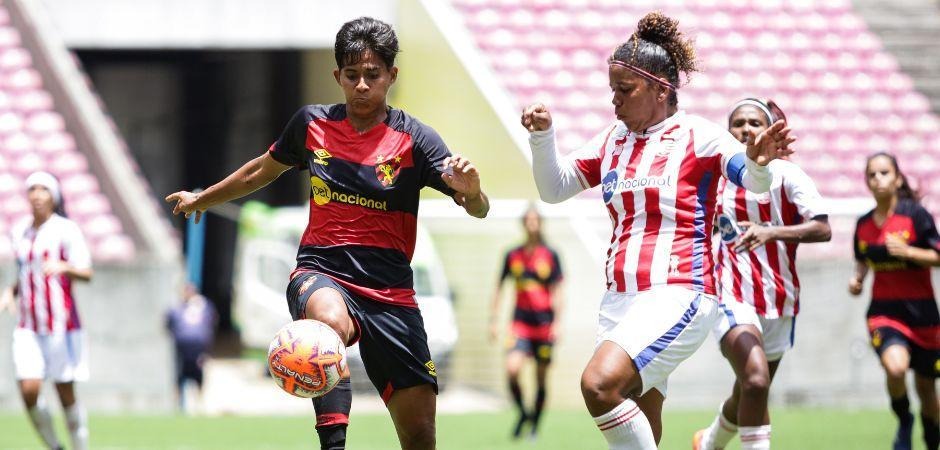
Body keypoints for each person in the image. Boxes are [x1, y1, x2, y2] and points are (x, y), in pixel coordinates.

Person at [165, 17, 489, 450]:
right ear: (337, 76)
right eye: (351, 75)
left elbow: (477, 208)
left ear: (392, 75)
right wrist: (203, 198)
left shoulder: (417, 141)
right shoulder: (311, 124)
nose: (361, 85)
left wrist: (474, 192)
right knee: (329, 324)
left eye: (372, 75)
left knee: (420, 435)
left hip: (390, 295)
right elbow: (261, 170)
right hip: (321, 273)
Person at [520, 12, 795, 449]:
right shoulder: (613, 139)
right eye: (612, 91)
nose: (615, 102)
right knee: (642, 420)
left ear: (661, 89)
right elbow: (554, 188)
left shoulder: (698, 136)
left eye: (624, 91)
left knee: (599, 385)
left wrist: (761, 164)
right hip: (618, 302)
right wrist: (543, 137)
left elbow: (753, 182)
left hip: (679, 291)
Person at [693, 99, 831, 450]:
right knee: (755, 381)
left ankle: (708, 443)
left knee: (749, 389)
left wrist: (772, 232)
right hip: (730, 295)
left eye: (755, 122)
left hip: (778, 300)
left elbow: (822, 228)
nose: (746, 129)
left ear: (767, 129)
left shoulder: (788, 175)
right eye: (738, 123)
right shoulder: (716, 178)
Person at [850, 152, 939, 450]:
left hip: (924, 316)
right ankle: (904, 420)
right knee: (896, 368)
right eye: (872, 175)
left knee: (928, 392)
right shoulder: (862, 224)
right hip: (885, 314)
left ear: (898, 178)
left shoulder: (915, 215)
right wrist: (858, 278)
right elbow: (862, 259)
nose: (878, 179)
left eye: (884, 173)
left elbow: (937, 256)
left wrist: (909, 252)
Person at [0, 171, 93, 450]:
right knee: (29, 390)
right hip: (28, 326)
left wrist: (65, 267)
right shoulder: (21, 232)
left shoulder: (66, 230)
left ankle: (80, 446)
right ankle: (55, 446)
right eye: (32, 189)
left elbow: (87, 273)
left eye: (44, 189)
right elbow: (26, 273)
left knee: (65, 393)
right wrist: (10, 292)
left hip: (61, 326)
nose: (37, 195)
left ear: (54, 196)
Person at [489, 205, 564, 440]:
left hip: (543, 325)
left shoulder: (551, 255)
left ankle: (534, 426)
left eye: (535, 220)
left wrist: (558, 323)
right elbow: (499, 287)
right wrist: (493, 320)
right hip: (519, 324)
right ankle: (523, 413)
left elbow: (558, 291)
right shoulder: (512, 255)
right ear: (524, 224)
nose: (532, 224)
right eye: (528, 220)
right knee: (512, 370)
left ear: (540, 223)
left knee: (540, 378)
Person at [166, 282, 218, 413]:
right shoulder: (178, 308)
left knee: (198, 376)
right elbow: (169, 323)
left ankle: (199, 405)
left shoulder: (204, 306)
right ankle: (177, 406)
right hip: (182, 347)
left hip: (198, 348)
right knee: (179, 376)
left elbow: (211, 321)